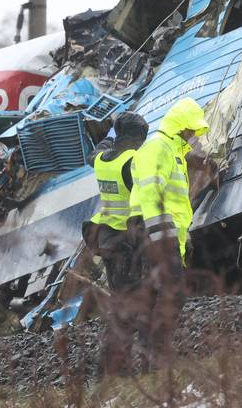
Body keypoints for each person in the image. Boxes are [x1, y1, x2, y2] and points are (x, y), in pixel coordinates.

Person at [126, 97, 208, 368]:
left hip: (158, 228)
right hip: (155, 227)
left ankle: (149, 355)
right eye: (190, 128)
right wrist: (160, 234)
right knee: (171, 291)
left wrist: (180, 239)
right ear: (179, 125)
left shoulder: (172, 151)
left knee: (156, 292)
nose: (192, 134)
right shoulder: (158, 148)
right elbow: (151, 193)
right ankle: (155, 353)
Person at [84, 111, 149, 291]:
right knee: (133, 292)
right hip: (127, 237)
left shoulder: (100, 160)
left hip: (106, 237)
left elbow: (93, 154)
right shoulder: (132, 161)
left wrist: (110, 137)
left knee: (117, 291)